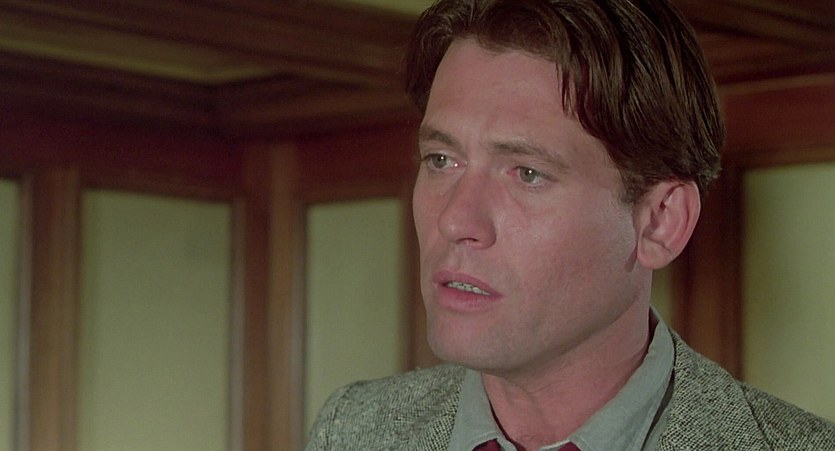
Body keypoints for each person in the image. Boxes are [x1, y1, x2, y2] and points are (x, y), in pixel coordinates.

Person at [306, 0, 835, 449]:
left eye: (527, 173)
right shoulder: (352, 430)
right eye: (442, 160)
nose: (454, 220)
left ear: (660, 222)